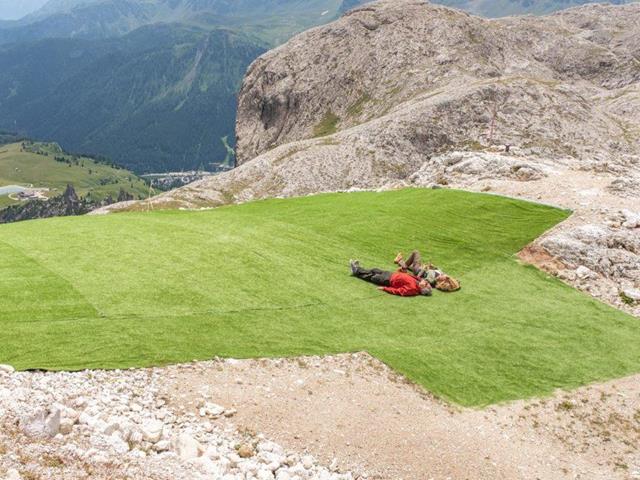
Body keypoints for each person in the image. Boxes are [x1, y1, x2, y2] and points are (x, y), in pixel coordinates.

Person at [350, 260, 432, 297]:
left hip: (388, 280)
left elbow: (398, 291)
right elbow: (408, 276)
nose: (425, 281)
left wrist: (384, 288)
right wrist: (402, 272)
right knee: (374, 270)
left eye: (426, 284)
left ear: (423, 288)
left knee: (372, 276)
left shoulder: (412, 289)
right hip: (391, 274)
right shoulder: (417, 281)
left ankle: (356, 270)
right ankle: (357, 269)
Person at [394, 250, 461, 292]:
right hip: (421, 268)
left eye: (445, 277)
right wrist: (432, 267)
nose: (445, 275)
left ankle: (403, 266)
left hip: (418, 270)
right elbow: (436, 271)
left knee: (416, 252)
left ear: (443, 281)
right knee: (410, 265)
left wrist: (424, 268)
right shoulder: (441, 275)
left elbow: (419, 278)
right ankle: (399, 261)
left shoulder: (432, 279)